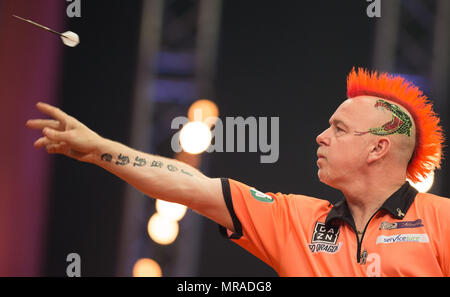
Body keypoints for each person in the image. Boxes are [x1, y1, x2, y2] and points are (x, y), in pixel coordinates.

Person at [26, 68, 450, 276]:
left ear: (378, 147)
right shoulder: (296, 220)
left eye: (338, 129)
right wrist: (100, 148)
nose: (320, 137)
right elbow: (191, 185)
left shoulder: (442, 221)